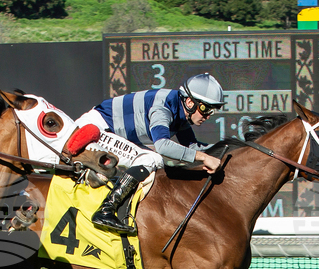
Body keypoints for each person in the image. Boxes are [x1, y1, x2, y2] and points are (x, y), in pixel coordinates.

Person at [80, 72, 227, 235]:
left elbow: (193, 148)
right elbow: (162, 146)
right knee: (152, 158)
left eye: (212, 111)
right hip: (96, 130)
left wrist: (229, 151)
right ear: (190, 102)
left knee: (153, 160)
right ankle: (106, 210)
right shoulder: (163, 107)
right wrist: (204, 157)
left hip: (108, 131)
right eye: (205, 108)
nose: (207, 116)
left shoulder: (180, 111)